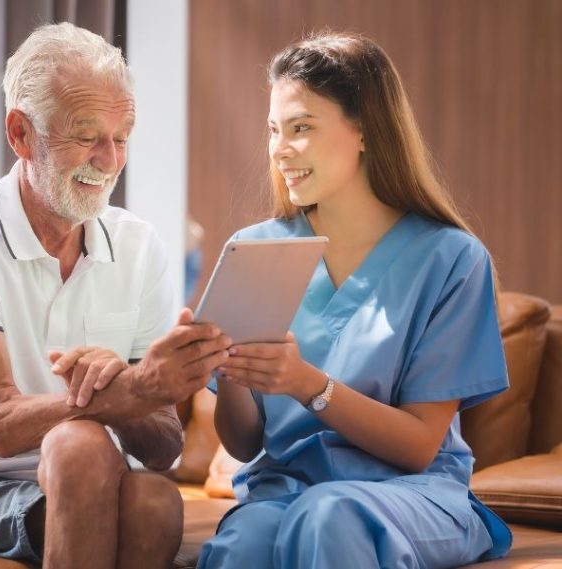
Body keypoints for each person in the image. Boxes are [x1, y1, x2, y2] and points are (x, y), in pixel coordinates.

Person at [0, 22, 231, 569]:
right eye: (86, 135)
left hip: (93, 478)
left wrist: (130, 387)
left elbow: (164, 448)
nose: (110, 160)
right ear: (21, 134)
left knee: (153, 500)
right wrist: (129, 389)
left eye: (121, 137)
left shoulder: (140, 245)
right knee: (80, 444)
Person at [197, 32, 513, 568]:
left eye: (301, 128)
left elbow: (418, 446)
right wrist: (229, 368)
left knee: (329, 515)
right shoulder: (256, 251)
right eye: (274, 130)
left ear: (364, 128)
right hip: (286, 490)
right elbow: (245, 443)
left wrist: (306, 384)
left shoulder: (452, 259)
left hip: (412, 494)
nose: (278, 148)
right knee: (244, 544)